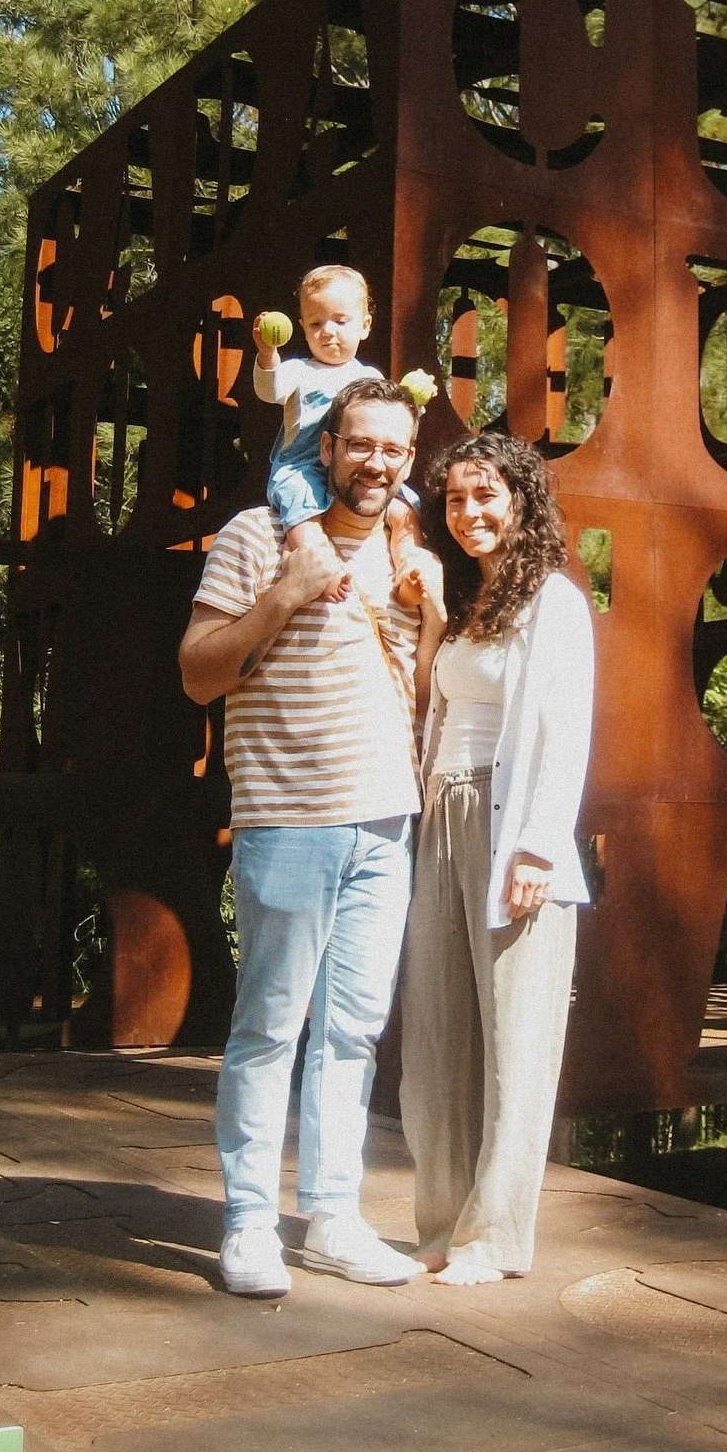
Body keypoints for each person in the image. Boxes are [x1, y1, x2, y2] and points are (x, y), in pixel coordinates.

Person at [178, 377, 445, 1298]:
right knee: (268, 1029)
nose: (376, 462)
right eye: (360, 443)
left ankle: (333, 1217)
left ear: (410, 465)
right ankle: (249, 1223)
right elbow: (198, 676)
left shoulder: (408, 550)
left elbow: (422, 692)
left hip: (386, 819)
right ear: (325, 449)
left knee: (353, 1035)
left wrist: (437, 610)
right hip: (288, 818)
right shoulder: (259, 535)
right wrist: (285, 597)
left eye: (395, 451)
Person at [400, 432, 595, 1285]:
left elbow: (564, 731)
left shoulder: (551, 600)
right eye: (456, 500)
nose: (470, 514)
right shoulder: (472, 604)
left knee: (514, 1043)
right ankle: (442, 1224)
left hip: (511, 828)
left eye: (487, 497)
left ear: (522, 502)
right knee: (438, 1033)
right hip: (441, 818)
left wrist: (539, 848)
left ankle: (495, 1238)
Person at [252, 264, 422, 603]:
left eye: (340, 321)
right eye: (316, 323)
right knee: (302, 507)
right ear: (301, 327)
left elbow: (388, 419)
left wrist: (415, 403)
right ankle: (318, 567)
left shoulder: (370, 376)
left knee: (405, 505)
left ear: (365, 326)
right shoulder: (298, 371)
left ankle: (409, 564)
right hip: (303, 464)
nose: (328, 331)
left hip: (355, 467)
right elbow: (268, 391)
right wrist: (267, 354)